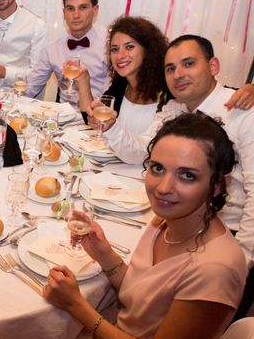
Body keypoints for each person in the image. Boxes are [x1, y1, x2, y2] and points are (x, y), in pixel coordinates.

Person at [45, 113, 246, 339]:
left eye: (187, 175)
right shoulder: (166, 222)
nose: (164, 187)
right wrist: (103, 253)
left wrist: (77, 305)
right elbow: (145, 299)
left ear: (218, 185)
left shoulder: (215, 268)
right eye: (157, 168)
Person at [102, 35, 254, 269]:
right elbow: (141, 152)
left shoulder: (243, 112)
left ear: (213, 66)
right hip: (179, 222)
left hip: (226, 233)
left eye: (189, 63)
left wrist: (242, 261)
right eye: (170, 68)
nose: (178, 74)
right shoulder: (175, 109)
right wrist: (111, 127)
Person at [79, 16, 171, 135]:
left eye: (129, 47)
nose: (120, 56)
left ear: (148, 49)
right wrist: (83, 80)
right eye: (115, 49)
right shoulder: (121, 85)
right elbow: (93, 120)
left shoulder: (166, 91)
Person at [27, 0, 107, 104]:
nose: (76, 15)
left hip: (96, 118)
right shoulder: (52, 49)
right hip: (61, 119)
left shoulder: (109, 47)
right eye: (70, 8)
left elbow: (112, 97)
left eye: (83, 7)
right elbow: (30, 87)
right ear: (64, 13)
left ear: (95, 10)